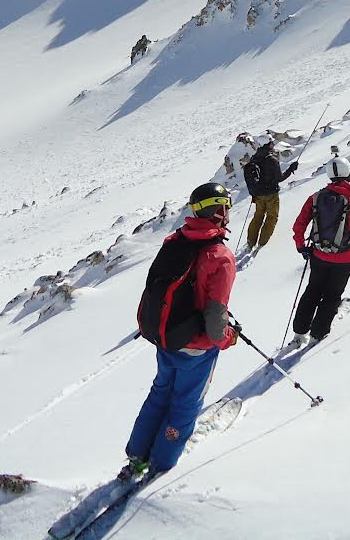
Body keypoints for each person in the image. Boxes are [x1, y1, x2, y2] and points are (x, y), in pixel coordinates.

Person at [125, 182, 238, 479]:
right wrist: (227, 338)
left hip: (167, 338)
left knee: (160, 393)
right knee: (186, 403)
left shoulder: (174, 241)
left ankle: (137, 454)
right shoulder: (221, 256)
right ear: (219, 211)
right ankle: (162, 463)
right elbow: (215, 319)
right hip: (197, 348)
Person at [288, 157, 350, 348]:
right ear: (349, 174)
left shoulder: (316, 197)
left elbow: (299, 225)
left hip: (319, 255)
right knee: (332, 295)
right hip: (345, 259)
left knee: (312, 290)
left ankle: (299, 332)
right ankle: (318, 333)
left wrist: (300, 245)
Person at [242, 134, 298, 254]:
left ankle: (250, 242)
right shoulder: (271, 159)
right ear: (268, 144)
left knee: (258, 216)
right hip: (271, 193)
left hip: (258, 195)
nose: (273, 145)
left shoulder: (254, 158)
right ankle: (262, 244)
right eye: (272, 143)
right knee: (272, 217)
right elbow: (279, 178)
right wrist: (291, 169)